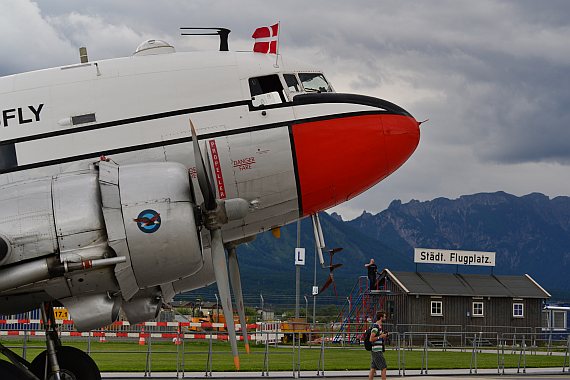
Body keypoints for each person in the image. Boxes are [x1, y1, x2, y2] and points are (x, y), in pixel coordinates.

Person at [368, 311, 388, 380]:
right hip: (377, 351)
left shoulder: (379, 327)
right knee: (383, 367)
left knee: (373, 368)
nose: (385, 318)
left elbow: (378, 337)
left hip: (376, 350)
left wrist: (383, 336)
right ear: (381, 317)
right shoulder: (376, 327)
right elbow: (371, 339)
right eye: (384, 317)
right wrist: (380, 336)